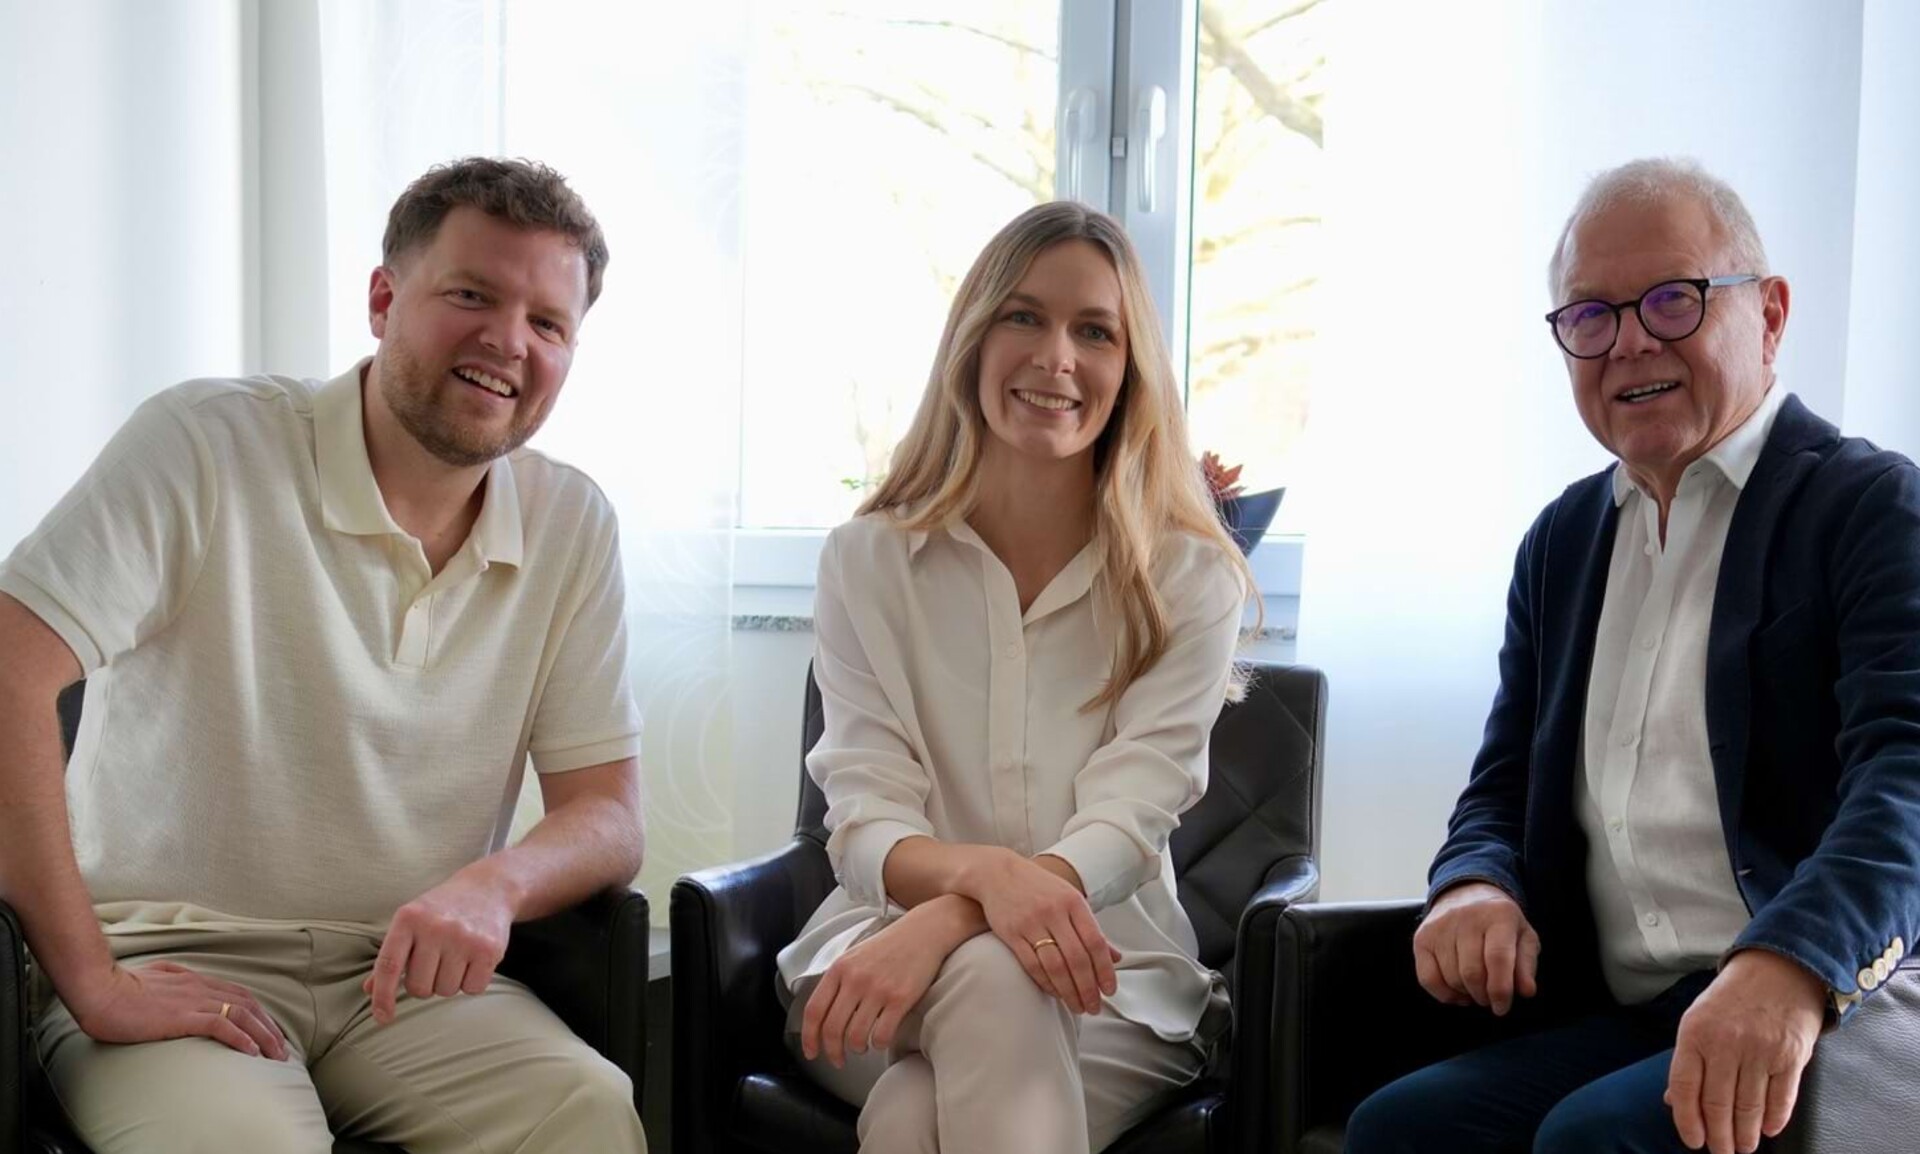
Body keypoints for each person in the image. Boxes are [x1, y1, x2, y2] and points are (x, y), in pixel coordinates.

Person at [0, 157, 649, 1152]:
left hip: (411, 981)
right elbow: (10, 666)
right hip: (172, 951)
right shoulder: (207, 443)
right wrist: (89, 976)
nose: (507, 342)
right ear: (385, 298)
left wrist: (496, 881)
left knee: (590, 1111)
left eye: (548, 323)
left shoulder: (573, 522)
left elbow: (606, 810)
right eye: (471, 294)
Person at [1346, 157, 1920, 1154]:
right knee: (1400, 1127)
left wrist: (1786, 963)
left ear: (1771, 313)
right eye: (1590, 317)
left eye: (1672, 300)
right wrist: (1473, 881)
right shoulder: (1563, 541)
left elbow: (1906, 780)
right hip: (1631, 1007)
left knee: (1591, 1141)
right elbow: (1501, 782)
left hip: (1828, 998)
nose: (1629, 342)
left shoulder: (1872, 509)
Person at [774, 200, 1257, 1153]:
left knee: (917, 1116)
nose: (1057, 358)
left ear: (1130, 369)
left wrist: (962, 908)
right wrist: (986, 892)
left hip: (1111, 985)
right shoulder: (865, 561)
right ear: (972, 338)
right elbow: (865, 814)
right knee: (993, 981)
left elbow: (1130, 818)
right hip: (877, 966)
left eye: (1095, 332)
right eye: (1024, 317)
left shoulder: (1192, 580)